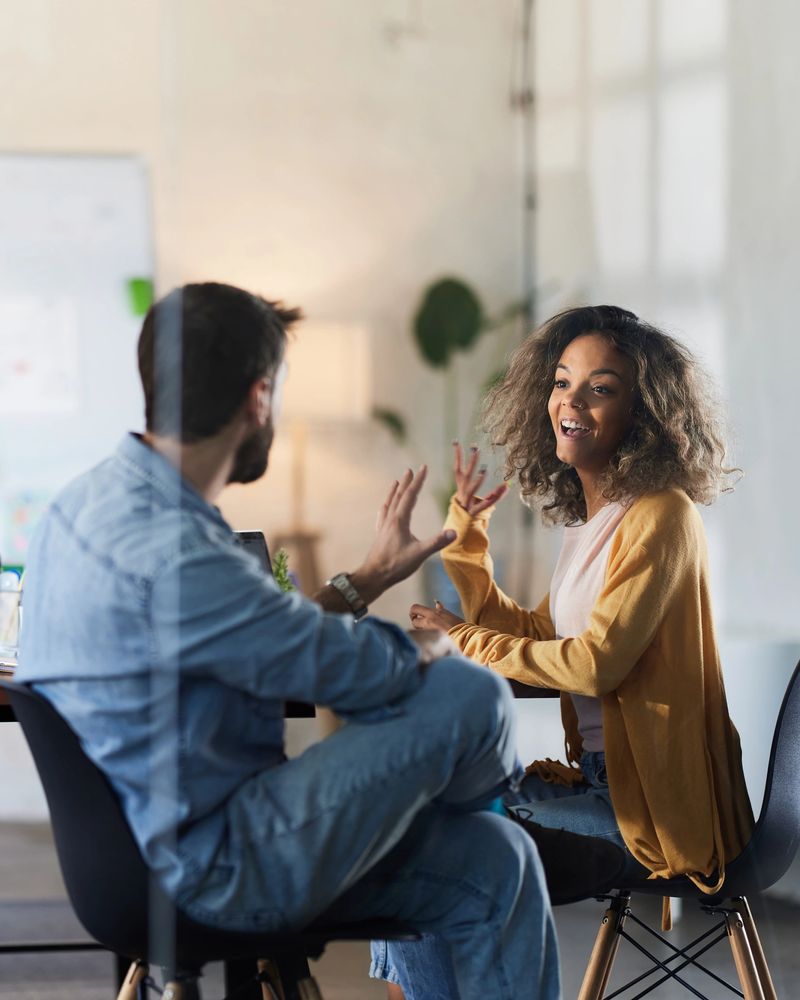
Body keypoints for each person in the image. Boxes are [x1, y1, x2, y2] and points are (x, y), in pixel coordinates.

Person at [15, 284, 626, 1000]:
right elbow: (371, 675)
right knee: (469, 694)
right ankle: (497, 803)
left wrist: (364, 581)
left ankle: (493, 817)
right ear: (259, 398)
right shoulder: (181, 554)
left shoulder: (79, 508)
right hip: (214, 867)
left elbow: (264, 637)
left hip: (129, 863)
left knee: (497, 860)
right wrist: (441, 643)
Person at [373, 304, 755, 999]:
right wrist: (468, 542)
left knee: (417, 842)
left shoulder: (662, 515)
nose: (570, 402)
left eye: (600, 388)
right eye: (561, 382)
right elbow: (542, 642)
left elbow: (593, 664)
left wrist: (462, 635)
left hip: (650, 813)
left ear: (643, 412)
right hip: (601, 785)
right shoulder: (598, 522)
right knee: (400, 817)